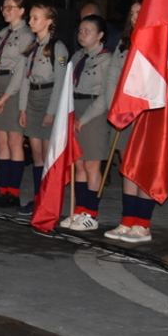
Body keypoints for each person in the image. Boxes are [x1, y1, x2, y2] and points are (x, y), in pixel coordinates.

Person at [104, 0, 158, 243]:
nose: (135, 17)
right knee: (127, 167)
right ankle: (127, 220)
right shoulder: (124, 42)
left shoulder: (158, 43)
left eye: (140, 12)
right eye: (132, 13)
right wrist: (114, 107)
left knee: (144, 168)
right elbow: (113, 75)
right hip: (126, 113)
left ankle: (143, 224)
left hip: (148, 115)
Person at [11, 3, 68, 217]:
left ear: (49, 21)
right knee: (37, 157)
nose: (31, 22)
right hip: (33, 101)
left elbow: (60, 82)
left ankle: (48, 199)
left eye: (36, 18)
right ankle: (37, 198)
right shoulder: (32, 47)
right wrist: (23, 108)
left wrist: (51, 111)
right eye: (31, 18)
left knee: (47, 155)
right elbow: (25, 80)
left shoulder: (57, 48)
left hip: (48, 98)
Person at [59, 14, 112, 231]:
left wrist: (85, 118)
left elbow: (106, 95)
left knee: (91, 165)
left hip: (94, 114)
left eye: (87, 31)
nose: (82, 35)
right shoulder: (77, 57)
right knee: (78, 164)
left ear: (100, 35)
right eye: (80, 31)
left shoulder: (106, 59)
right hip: (75, 109)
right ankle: (79, 210)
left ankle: (91, 213)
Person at [0, 0, 33, 209]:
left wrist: (5, 97)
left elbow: (21, 69)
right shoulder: (2, 34)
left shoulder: (27, 35)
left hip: (14, 90)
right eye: (4, 7)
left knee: (14, 142)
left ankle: (13, 193)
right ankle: (2, 189)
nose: (6, 11)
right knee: (1, 142)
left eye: (11, 7)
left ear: (22, 11)